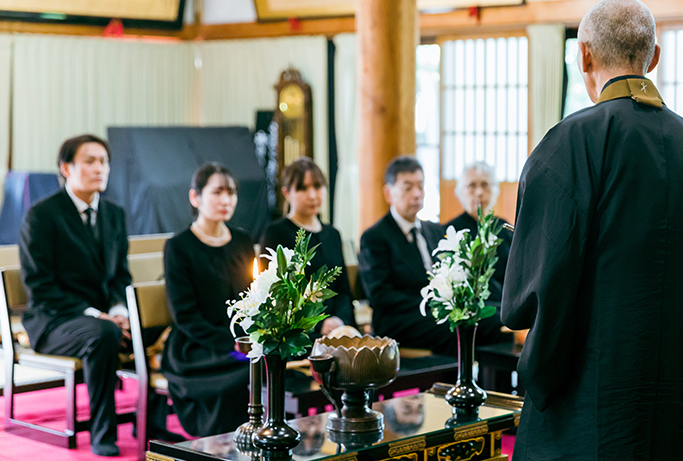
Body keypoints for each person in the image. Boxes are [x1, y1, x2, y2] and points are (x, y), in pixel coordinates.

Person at [500, 0, 683, 461]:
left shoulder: (570, 143)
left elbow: (532, 294)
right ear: (653, 58)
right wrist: (682, 376)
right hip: (667, 410)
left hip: (584, 409)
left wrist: (544, 375)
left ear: (584, 55)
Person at [19, 134, 147, 456]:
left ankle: (149, 421)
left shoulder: (114, 214)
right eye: (89, 161)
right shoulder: (42, 216)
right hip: (55, 320)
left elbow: (121, 275)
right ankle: (104, 433)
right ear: (66, 167)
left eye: (104, 161)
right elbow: (41, 286)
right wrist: (96, 315)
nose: (99, 168)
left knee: (155, 323)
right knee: (102, 333)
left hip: (106, 318)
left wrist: (121, 310)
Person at [359, 156, 509, 356]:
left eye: (420, 186)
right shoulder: (375, 237)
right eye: (407, 188)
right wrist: (436, 303)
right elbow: (380, 296)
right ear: (389, 193)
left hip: (437, 312)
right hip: (401, 320)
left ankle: (485, 382)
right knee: (469, 323)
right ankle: (459, 382)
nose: (417, 194)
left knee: (499, 314)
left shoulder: (435, 231)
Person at [161, 163, 254, 437]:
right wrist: (234, 345)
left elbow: (253, 300)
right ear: (195, 197)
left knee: (273, 362)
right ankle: (224, 446)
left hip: (242, 340)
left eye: (232, 192)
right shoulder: (179, 246)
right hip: (197, 346)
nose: (226, 200)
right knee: (244, 371)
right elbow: (184, 315)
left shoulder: (243, 241)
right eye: (217, 192)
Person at [259, 157, 355, 338]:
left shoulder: (332, 234)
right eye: (302, 188)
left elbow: (343, 290)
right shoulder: (276, 233)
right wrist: (318, 323)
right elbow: (274, 295)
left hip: (338, 329)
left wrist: (339, 320)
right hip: (299, 334)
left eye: (317, 186)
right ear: (287, 193)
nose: (312, 195)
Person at [446, 162, 513, 304]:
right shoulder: (451, 230)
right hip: (472, 306)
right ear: (460, 191)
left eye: (485, 185)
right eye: (472, 186)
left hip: (507, 302)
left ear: (495, 190)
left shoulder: (505, 228)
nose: (479, 192)